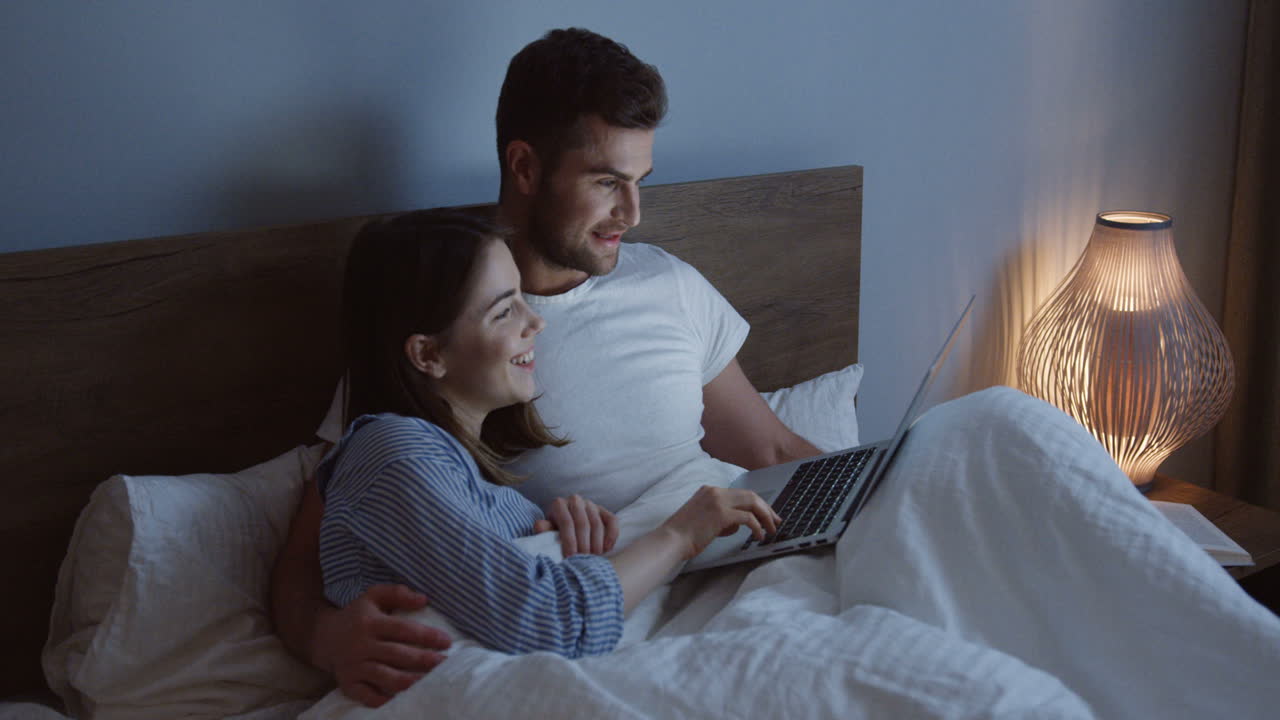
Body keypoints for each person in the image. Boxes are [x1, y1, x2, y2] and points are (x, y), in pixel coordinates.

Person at [270, 28, 819, 707]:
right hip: (610, 606)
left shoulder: (670, 286)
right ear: (526, 168)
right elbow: (324, 539)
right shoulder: (433, 338)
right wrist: (326, 638)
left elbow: (773, 447)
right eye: (606, 182)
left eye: (640, 182)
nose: (634, 214)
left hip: (678, 570)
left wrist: (864, 492)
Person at [317, 207, 780, 662]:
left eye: (522, 297)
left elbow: (509, 590)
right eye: (504, 311)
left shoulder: (455, 472)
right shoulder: (393, 453)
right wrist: (681, 534)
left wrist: (553, 541)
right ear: (428, 354)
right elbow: (553, 621)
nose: (535, 322)